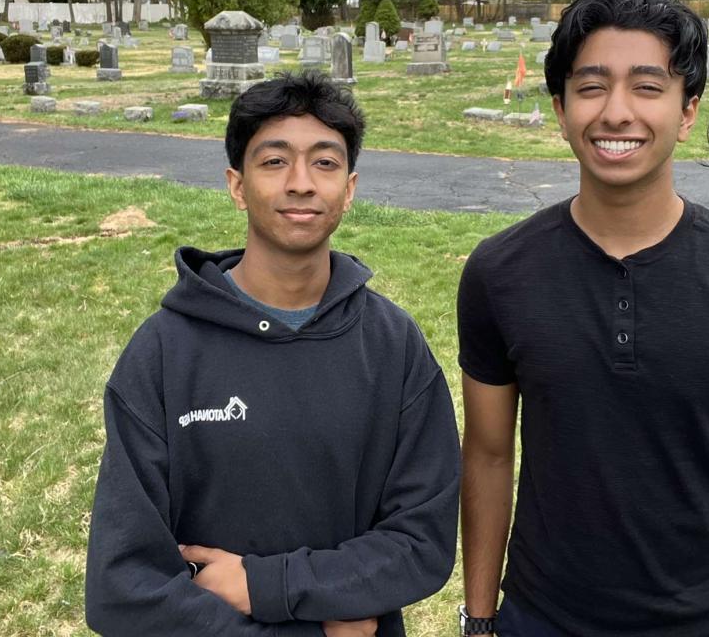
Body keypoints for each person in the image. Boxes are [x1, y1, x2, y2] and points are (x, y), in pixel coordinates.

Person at [457, 0, 709, 637]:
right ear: (561, 108)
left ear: (687, 111)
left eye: (648, 87)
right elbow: (488, 455)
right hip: (541, 617)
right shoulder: (498, 272)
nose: (616, 112)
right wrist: (480, 618)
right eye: (591, 86)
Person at [86, 70, 460, 637]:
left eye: (324, 162)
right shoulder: (163, 352)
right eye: (275, 161)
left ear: (349, 189)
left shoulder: (393, 345)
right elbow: (123, 586)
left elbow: (421, 543)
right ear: (237, 185)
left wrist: (269, 584)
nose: (301, 183)